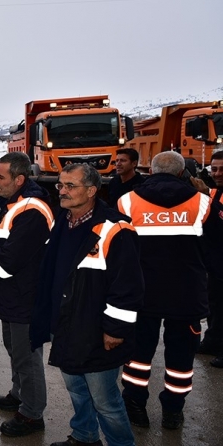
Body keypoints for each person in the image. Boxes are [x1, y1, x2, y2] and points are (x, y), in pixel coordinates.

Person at [30, 163, 143, 446]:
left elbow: (127, 286)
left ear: (92, 191)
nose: (62, 192)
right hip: (65, 322)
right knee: (77, 389)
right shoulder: (62, 221)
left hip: (95, 328)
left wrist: (115, 329)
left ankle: (121, 443)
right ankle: (84, 436)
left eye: (70, 186)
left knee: (105, 400)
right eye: (60, 185)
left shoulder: (114, 228)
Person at [118, 151, 212, 430]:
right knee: (181, 355)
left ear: (151, 170)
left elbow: (118, 250)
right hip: (187, 294)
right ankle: (173, 410)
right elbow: (213, 249)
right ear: (183, 173)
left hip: (141, 293)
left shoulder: (127, 201)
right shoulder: (202, 203)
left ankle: (134, 405)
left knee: (138, 352)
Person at [0, 152, 53, 437]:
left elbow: (12, 258)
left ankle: (32, 414)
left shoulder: (33, 209)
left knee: (27, 357)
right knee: (14, 350)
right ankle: (19, 394)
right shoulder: (6, 203)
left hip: (25, 296)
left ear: (19, 179)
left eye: (0, 177)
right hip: (10, 294)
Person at [193, 151, 223, 366]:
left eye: (222, 169)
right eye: (214, 169)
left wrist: (205, 199)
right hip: (213, 262)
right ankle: (212, 340)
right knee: (213, 304)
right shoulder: (213, 192)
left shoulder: (211, 196)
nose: (218, 173)